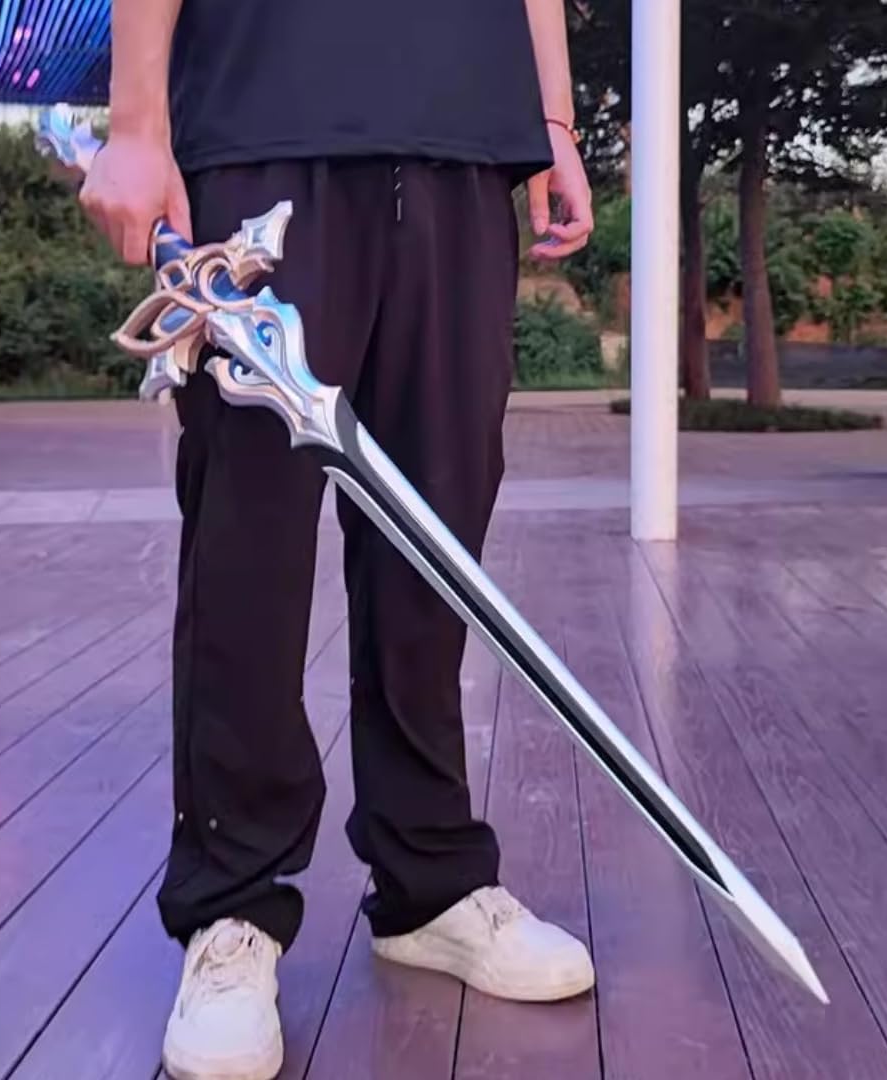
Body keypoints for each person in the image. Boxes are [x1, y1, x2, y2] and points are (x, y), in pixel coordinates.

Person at [81, 2, 596, 1077]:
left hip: (463, 141)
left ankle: (432, 880)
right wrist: (136, 124)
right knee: (249, 549)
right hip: (265, 133)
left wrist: (552, 118)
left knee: (435, 549)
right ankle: (233, 906)